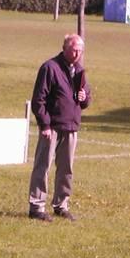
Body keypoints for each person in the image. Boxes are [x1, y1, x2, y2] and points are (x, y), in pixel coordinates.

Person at [28, 34, 91, 222]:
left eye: (80, 50)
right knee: (43, 166)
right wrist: (44, 124)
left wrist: (84, 97)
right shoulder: (50, 68)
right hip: (52, 127)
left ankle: (61, 205)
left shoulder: (79, 71)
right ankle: (37, 206)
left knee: (66, 169)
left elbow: (87, 97)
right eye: (74, 50)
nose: (77, 53)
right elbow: (38, 100)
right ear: (65, 48)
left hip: (71, 126)